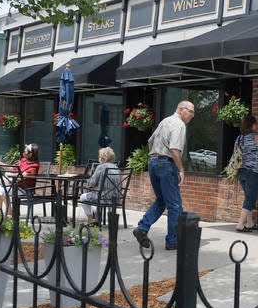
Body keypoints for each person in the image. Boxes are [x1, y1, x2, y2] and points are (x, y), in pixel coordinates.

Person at [133, 100, 195, 251]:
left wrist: (155, 157)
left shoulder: (165, 121)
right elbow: (174, 149)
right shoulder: (179, 125)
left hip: (153, 162)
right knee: (175, 205)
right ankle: (172, 241)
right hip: (166, 164)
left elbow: (150, 141)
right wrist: (181, 169)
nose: (193, 115)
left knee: (162, 201)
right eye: (191, 112)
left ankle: (142, 228)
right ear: (181, 110)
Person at [0, 143, 40, 212]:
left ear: (30, 154)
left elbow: (20, 177)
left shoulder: (34, 166)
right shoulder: (24, 160)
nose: (23, 151)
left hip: (25, 190)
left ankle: (10, 214)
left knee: (2, 191)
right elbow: (11, 168)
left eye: (25, 151)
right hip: (16, 186)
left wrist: (9, 174)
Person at [79, 147, 119, 227]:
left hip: (102, 197)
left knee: (82, 197)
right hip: (115, 198)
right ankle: (97, 220)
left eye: (99, 156)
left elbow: (92, 183)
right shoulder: (116, 168)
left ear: (102, 157)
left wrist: (90, 182)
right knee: (94, 200)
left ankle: (90, 220)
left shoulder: (100, 167)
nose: (99, 158)